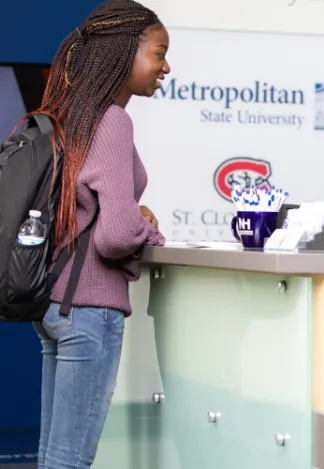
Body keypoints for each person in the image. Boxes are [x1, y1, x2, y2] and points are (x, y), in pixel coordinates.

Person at [28, 1, 169, 467]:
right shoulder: (112, 120)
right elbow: (113, 237)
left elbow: (89, 209)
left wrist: (131, 210)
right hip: (89, 310)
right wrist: (147, 231)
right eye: (158, 53)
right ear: (126, 53)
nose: (165, 67)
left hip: (54, 303)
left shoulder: (70, 113)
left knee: (52, 455)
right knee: (70, 461)